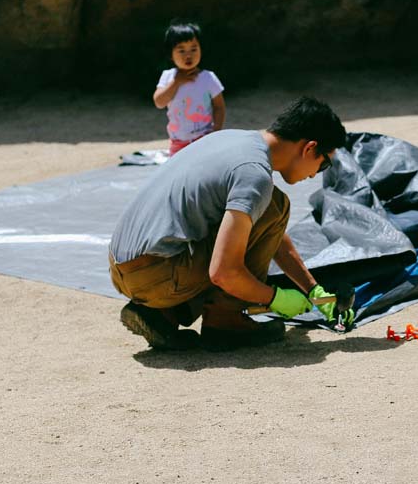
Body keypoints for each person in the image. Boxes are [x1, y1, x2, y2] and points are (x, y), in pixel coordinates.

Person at [108, 97, 347, 350]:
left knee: (269, 206)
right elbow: (224, 272)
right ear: (309, 148)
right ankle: (226, 321)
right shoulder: (254, 174)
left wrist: (312, 289)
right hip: (157, 274)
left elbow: (268, 233)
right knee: (276, 206)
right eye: (323, 165)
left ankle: (162, 314)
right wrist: (276, 298)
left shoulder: (234, 139)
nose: (314, 175)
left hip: (125, 269)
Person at [154, 21, 226, 156]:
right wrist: (176, 82)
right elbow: (159, 102)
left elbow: (219, 106)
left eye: (194, 49)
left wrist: (216, 131)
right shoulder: (168, 77)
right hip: (178, 142)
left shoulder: (208, 78)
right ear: (171, 54)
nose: (188, 55)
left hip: (204, 139)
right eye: (181, 50)